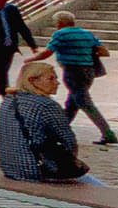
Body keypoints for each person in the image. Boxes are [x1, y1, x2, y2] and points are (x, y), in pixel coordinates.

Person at [0, 61, 93, 184]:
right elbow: (69, 142)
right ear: (32, 80)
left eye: (56, 78)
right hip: (37, 170)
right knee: (96, 187)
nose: (57, 83)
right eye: (51, 79)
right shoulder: (46, 105)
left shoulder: (9, 100)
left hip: (10, 168)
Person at [48, 9, 114, 144]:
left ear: (59, 23)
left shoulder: (60, 34)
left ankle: (108, 133)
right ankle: (59, 131)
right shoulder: (86, 34)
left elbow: (48, 51)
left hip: (72, 71)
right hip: (88, 71)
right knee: (72, 103)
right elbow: (104, 51)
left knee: (85, 103)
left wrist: (30, 59)